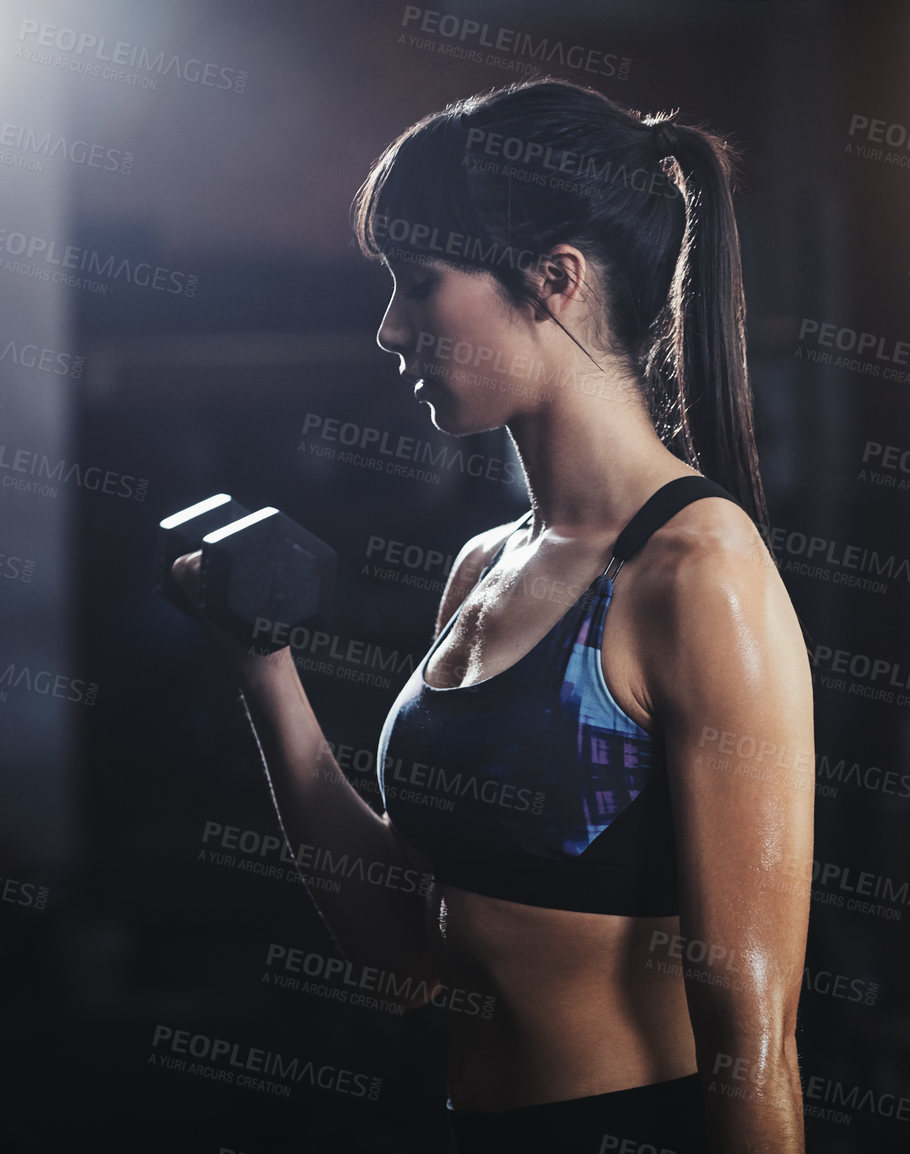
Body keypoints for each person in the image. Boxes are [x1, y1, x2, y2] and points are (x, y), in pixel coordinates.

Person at [172, 77, 814, 1153]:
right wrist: (262, 666)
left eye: (419, 283)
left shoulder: (700, 574)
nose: (389, 327)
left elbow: (757, 1052)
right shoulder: (484, 567)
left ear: (553, 280)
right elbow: (403, 956)